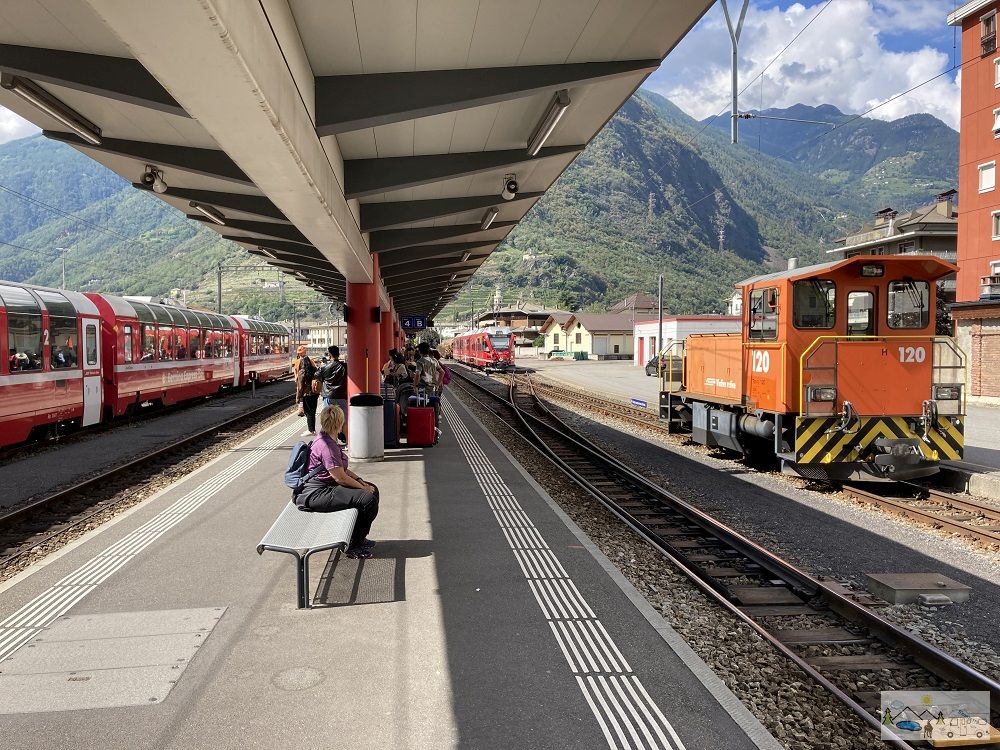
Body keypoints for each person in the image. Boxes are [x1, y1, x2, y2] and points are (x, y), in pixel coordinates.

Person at [298, 405, 379, 559]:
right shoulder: (327, 446)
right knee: (368, 500)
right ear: (339, 423)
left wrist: (360, 481)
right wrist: (363, 488)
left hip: (326, 486)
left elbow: (342, 470)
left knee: (373, 490)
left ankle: (359, 537)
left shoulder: (327, 438)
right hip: (316, 493)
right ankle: (353, 546)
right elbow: (340, 477)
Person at [316, 345, 348, 438]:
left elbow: (317, 376)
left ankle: (331, 442)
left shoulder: (324, 367)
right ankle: (348, 442)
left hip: (328, 397)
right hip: (342, 396)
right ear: (338, 354)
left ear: (329, 355)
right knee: (345, 421)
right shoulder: (345, 366)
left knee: (328, 422)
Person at [299, 353, 319, 435]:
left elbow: (300, 387)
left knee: (308, 412)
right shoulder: (315, 370)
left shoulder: (302, 372)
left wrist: (298, 397)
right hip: (315, 393)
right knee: (313, 411)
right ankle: (313, 429)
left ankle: (310, 430)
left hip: (307, 394)